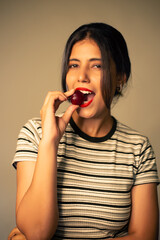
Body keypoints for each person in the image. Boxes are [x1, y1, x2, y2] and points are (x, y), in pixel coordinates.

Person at [8, 22, 159, 240]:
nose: (82, 76)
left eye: (97, 66)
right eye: (74, 65)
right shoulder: (35, 133)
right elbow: (37, 232)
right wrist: (50, 141)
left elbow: (145, 236)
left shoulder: (139, 148)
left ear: (120, 78)